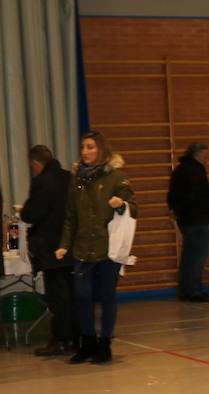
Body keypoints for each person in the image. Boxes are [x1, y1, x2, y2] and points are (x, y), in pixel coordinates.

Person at [56, 131, 138, 365]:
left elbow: (134, 206)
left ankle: (105, 345)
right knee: (82, 296)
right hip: (83, 248)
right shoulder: (77, 179)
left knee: (106, 296)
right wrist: (64, 244)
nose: (85, 152)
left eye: (90, 147)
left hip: (107, 248)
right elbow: (70, 216)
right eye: (82, 147)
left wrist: (121, 204)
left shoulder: (117, 176)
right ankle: (87, 342)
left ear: (101, 149)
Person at [20, 145, 78, 356]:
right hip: (70, 245)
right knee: (72, 294)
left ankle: (60, 340)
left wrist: (24, 211)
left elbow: (31, 214)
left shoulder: (42, 182)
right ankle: (75, 338)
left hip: (50, 248)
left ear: (36, 164)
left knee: (57, 297)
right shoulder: (69, 178)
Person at [167, 142, 209, 301]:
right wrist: (207, 218)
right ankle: (194, 290)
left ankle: (186, 289)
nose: (208, 158)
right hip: (197, 220)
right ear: (200, 153)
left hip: (187, 220)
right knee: (197, 257)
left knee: (188, 256)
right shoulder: (195, 171)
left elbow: (172, 195)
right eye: (206, 154)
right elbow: (196, 197)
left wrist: (177, 211)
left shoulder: (180, 170)